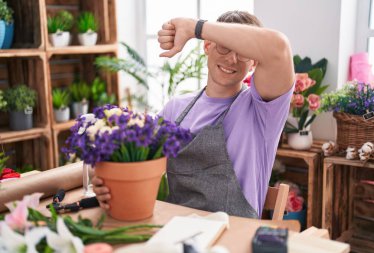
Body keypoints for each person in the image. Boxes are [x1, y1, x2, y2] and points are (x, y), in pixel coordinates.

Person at [93, 10, 295, 218]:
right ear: (207, 46)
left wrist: (193, 28)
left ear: (254, 62)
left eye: (243, 53)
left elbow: (278, 47)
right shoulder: (175, 109)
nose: (232, 59)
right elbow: (136, 162)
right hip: (175, 228)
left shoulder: (262, 110)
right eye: (224, 47)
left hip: (233, 237)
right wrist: (107, 181)